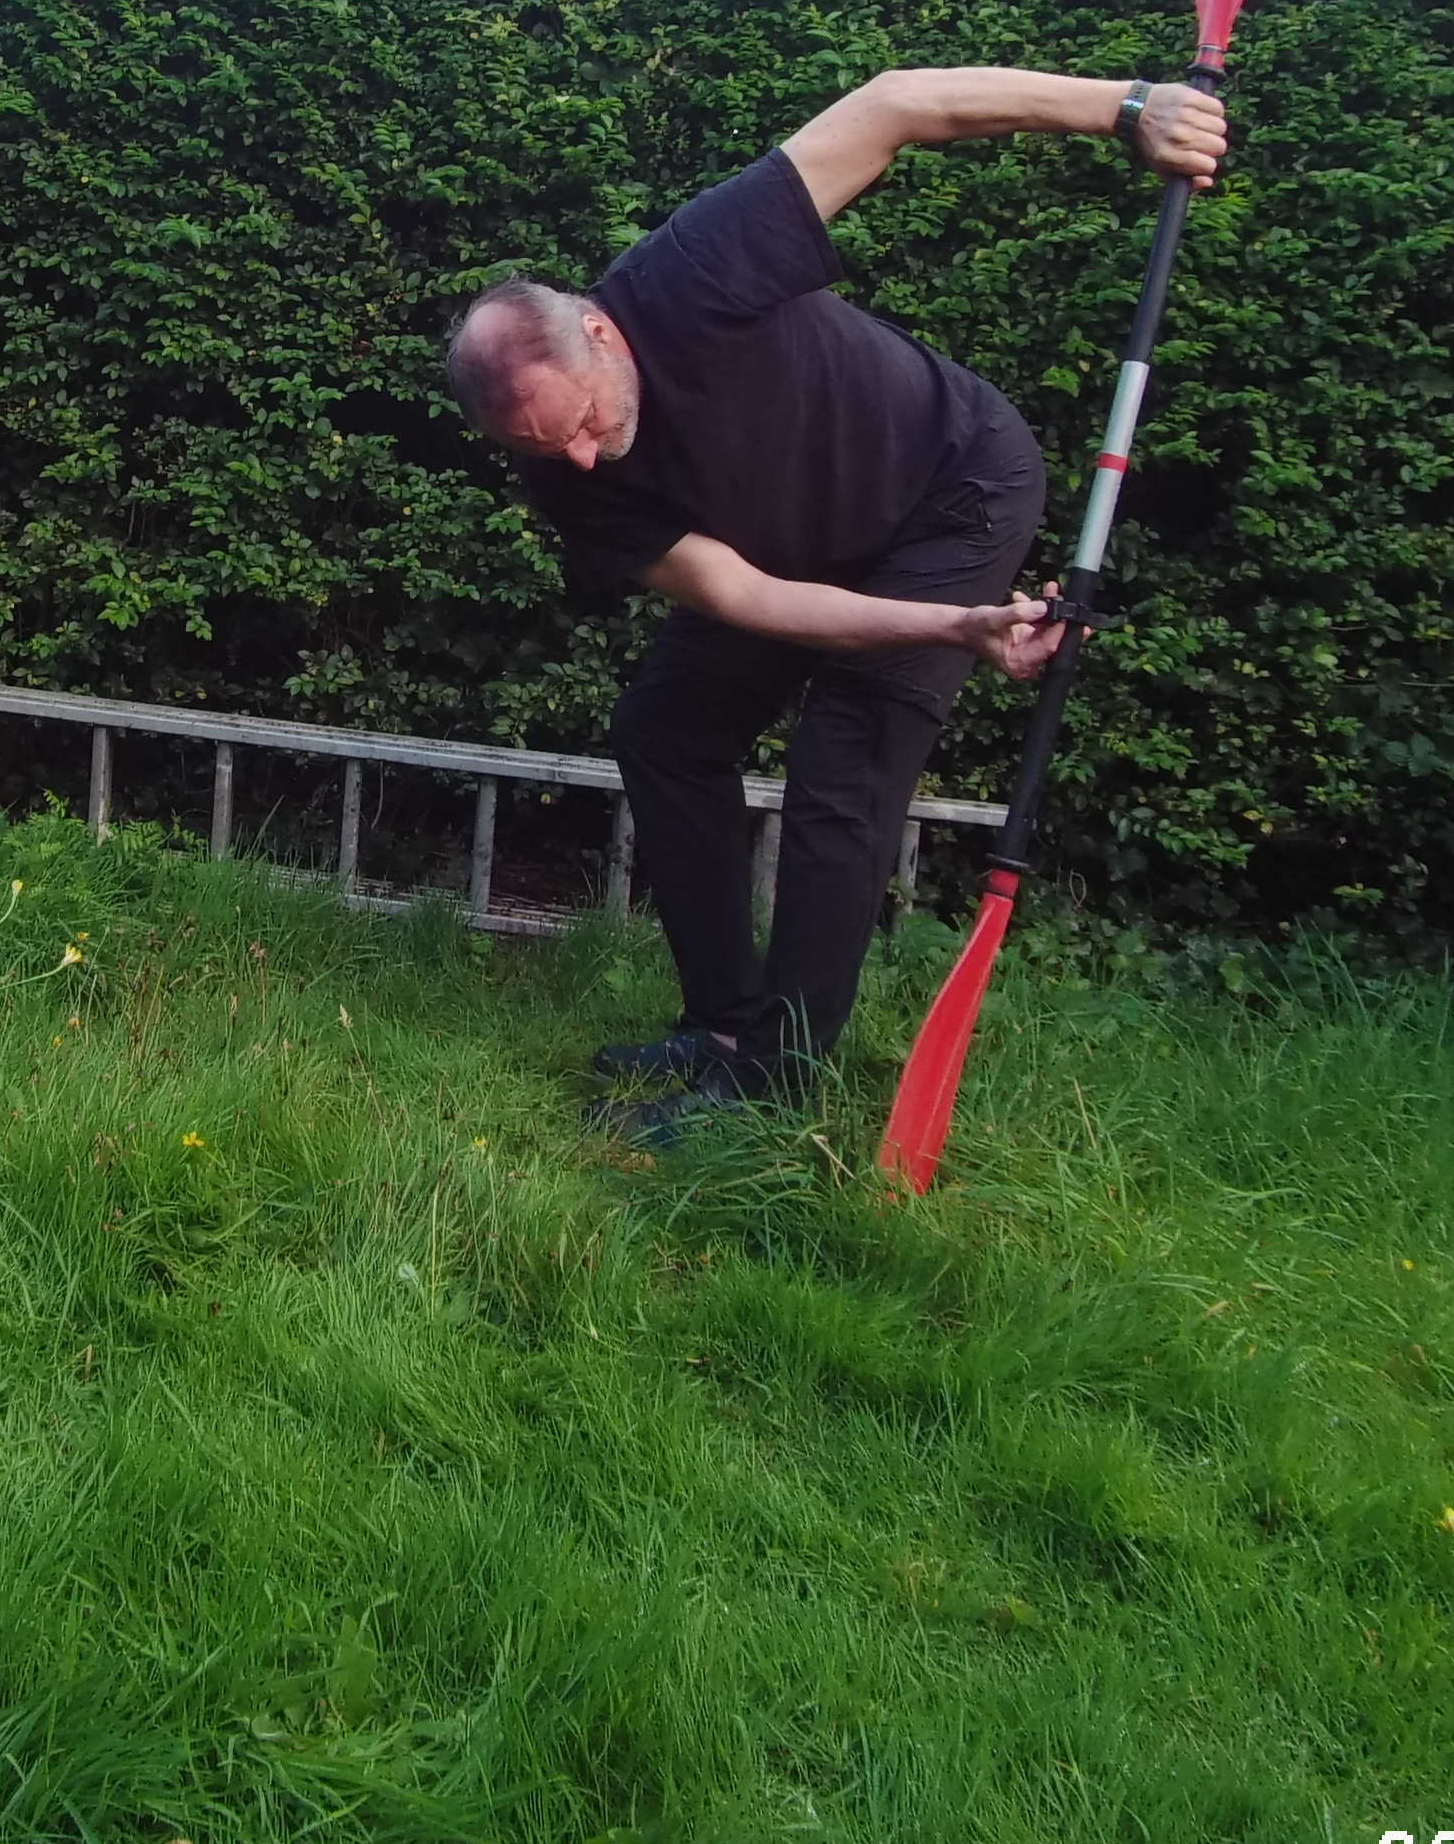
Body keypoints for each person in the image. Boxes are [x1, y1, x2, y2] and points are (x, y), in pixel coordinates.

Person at [444, 67, 1229, 1141]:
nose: (580, 458)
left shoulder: (692, 272)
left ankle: (775, 1088)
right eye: (546, 448)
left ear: (600, 335)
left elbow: (897, 105)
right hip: (792, 557)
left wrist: (1128, 109)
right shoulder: (558, 466)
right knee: (666, 730)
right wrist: (956, 631)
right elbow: (745, 596)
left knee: (840, 776)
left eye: (577, 422)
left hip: (948, 491)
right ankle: (720, 1027)